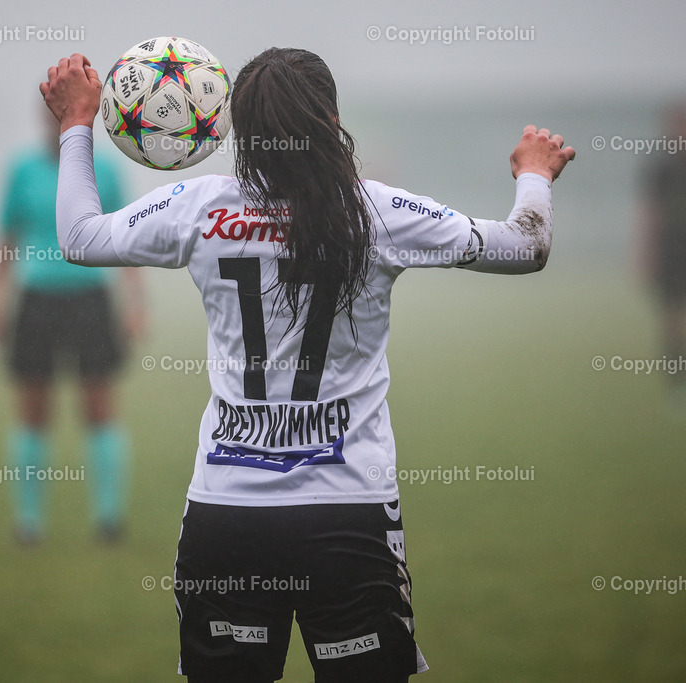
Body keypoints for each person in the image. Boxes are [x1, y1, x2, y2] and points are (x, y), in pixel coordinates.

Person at [40, 49, 575, 681]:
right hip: (348, 514)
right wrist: (534, 173)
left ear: (232, 126)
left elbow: (79, 237)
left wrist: (77, 124)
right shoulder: (376, 212)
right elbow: (525, 246)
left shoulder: (199, 206)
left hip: (228, 513)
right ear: (330, 117)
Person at [0, 108, 144, 545]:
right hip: (36, 299)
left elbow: (125, 237)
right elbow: (6, 238)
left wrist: (136, 303)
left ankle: (109, 519)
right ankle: (28, 523)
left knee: (99, 405)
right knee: (34, 409)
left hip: (90, 296)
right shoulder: (21, 171)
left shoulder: (104, 169)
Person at [638, 101, 686, 406]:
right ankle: (677, 386)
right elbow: (649, 214)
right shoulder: (660, 167)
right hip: (672, 249)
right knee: (673, 319)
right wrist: (646, 253)